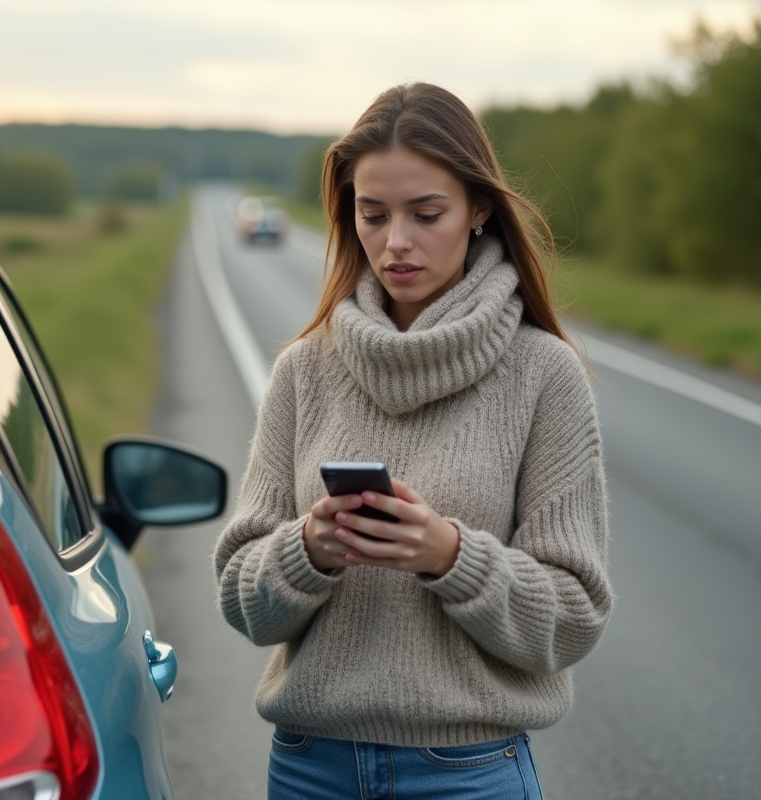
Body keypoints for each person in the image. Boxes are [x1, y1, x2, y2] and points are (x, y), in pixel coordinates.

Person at [213, 82, 612, 800]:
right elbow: (243, 602)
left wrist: (449, 557)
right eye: (373, 214)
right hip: (309, 768)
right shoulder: (305, 370)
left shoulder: (544, 375)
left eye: (426, 214)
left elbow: (573, 618)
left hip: (469, 775)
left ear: (479, 208)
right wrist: (307, 550)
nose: (395, 242)